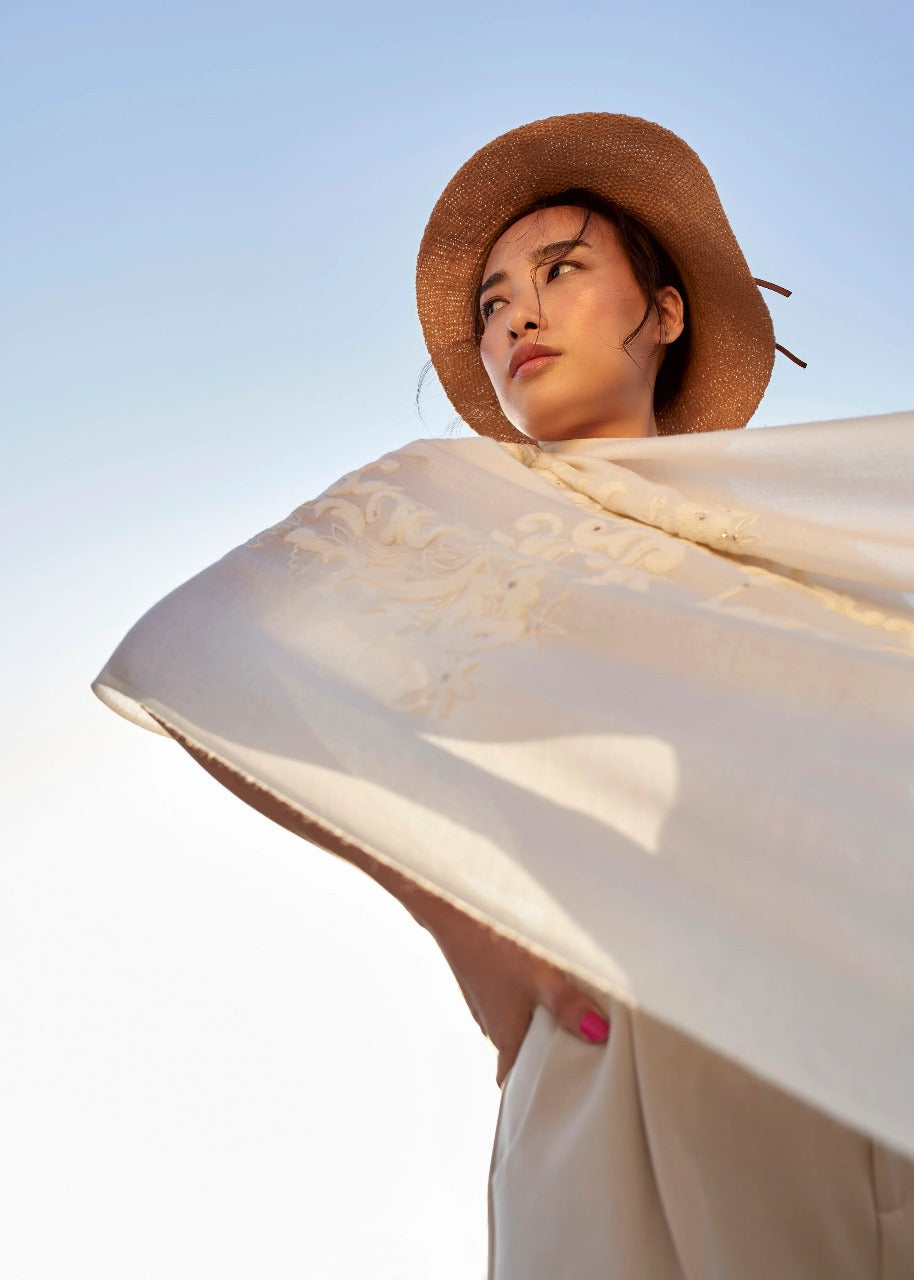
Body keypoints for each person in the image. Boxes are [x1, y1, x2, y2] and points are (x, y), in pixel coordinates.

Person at [94, 114, 914, 1277]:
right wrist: (473, 939)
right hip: (628, 1037)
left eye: (560, 271)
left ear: (663, 311)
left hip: (858, 1036)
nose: (516, 316)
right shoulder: (448, 499)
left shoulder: (790, 538)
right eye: (490, 303)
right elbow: (200, 653)